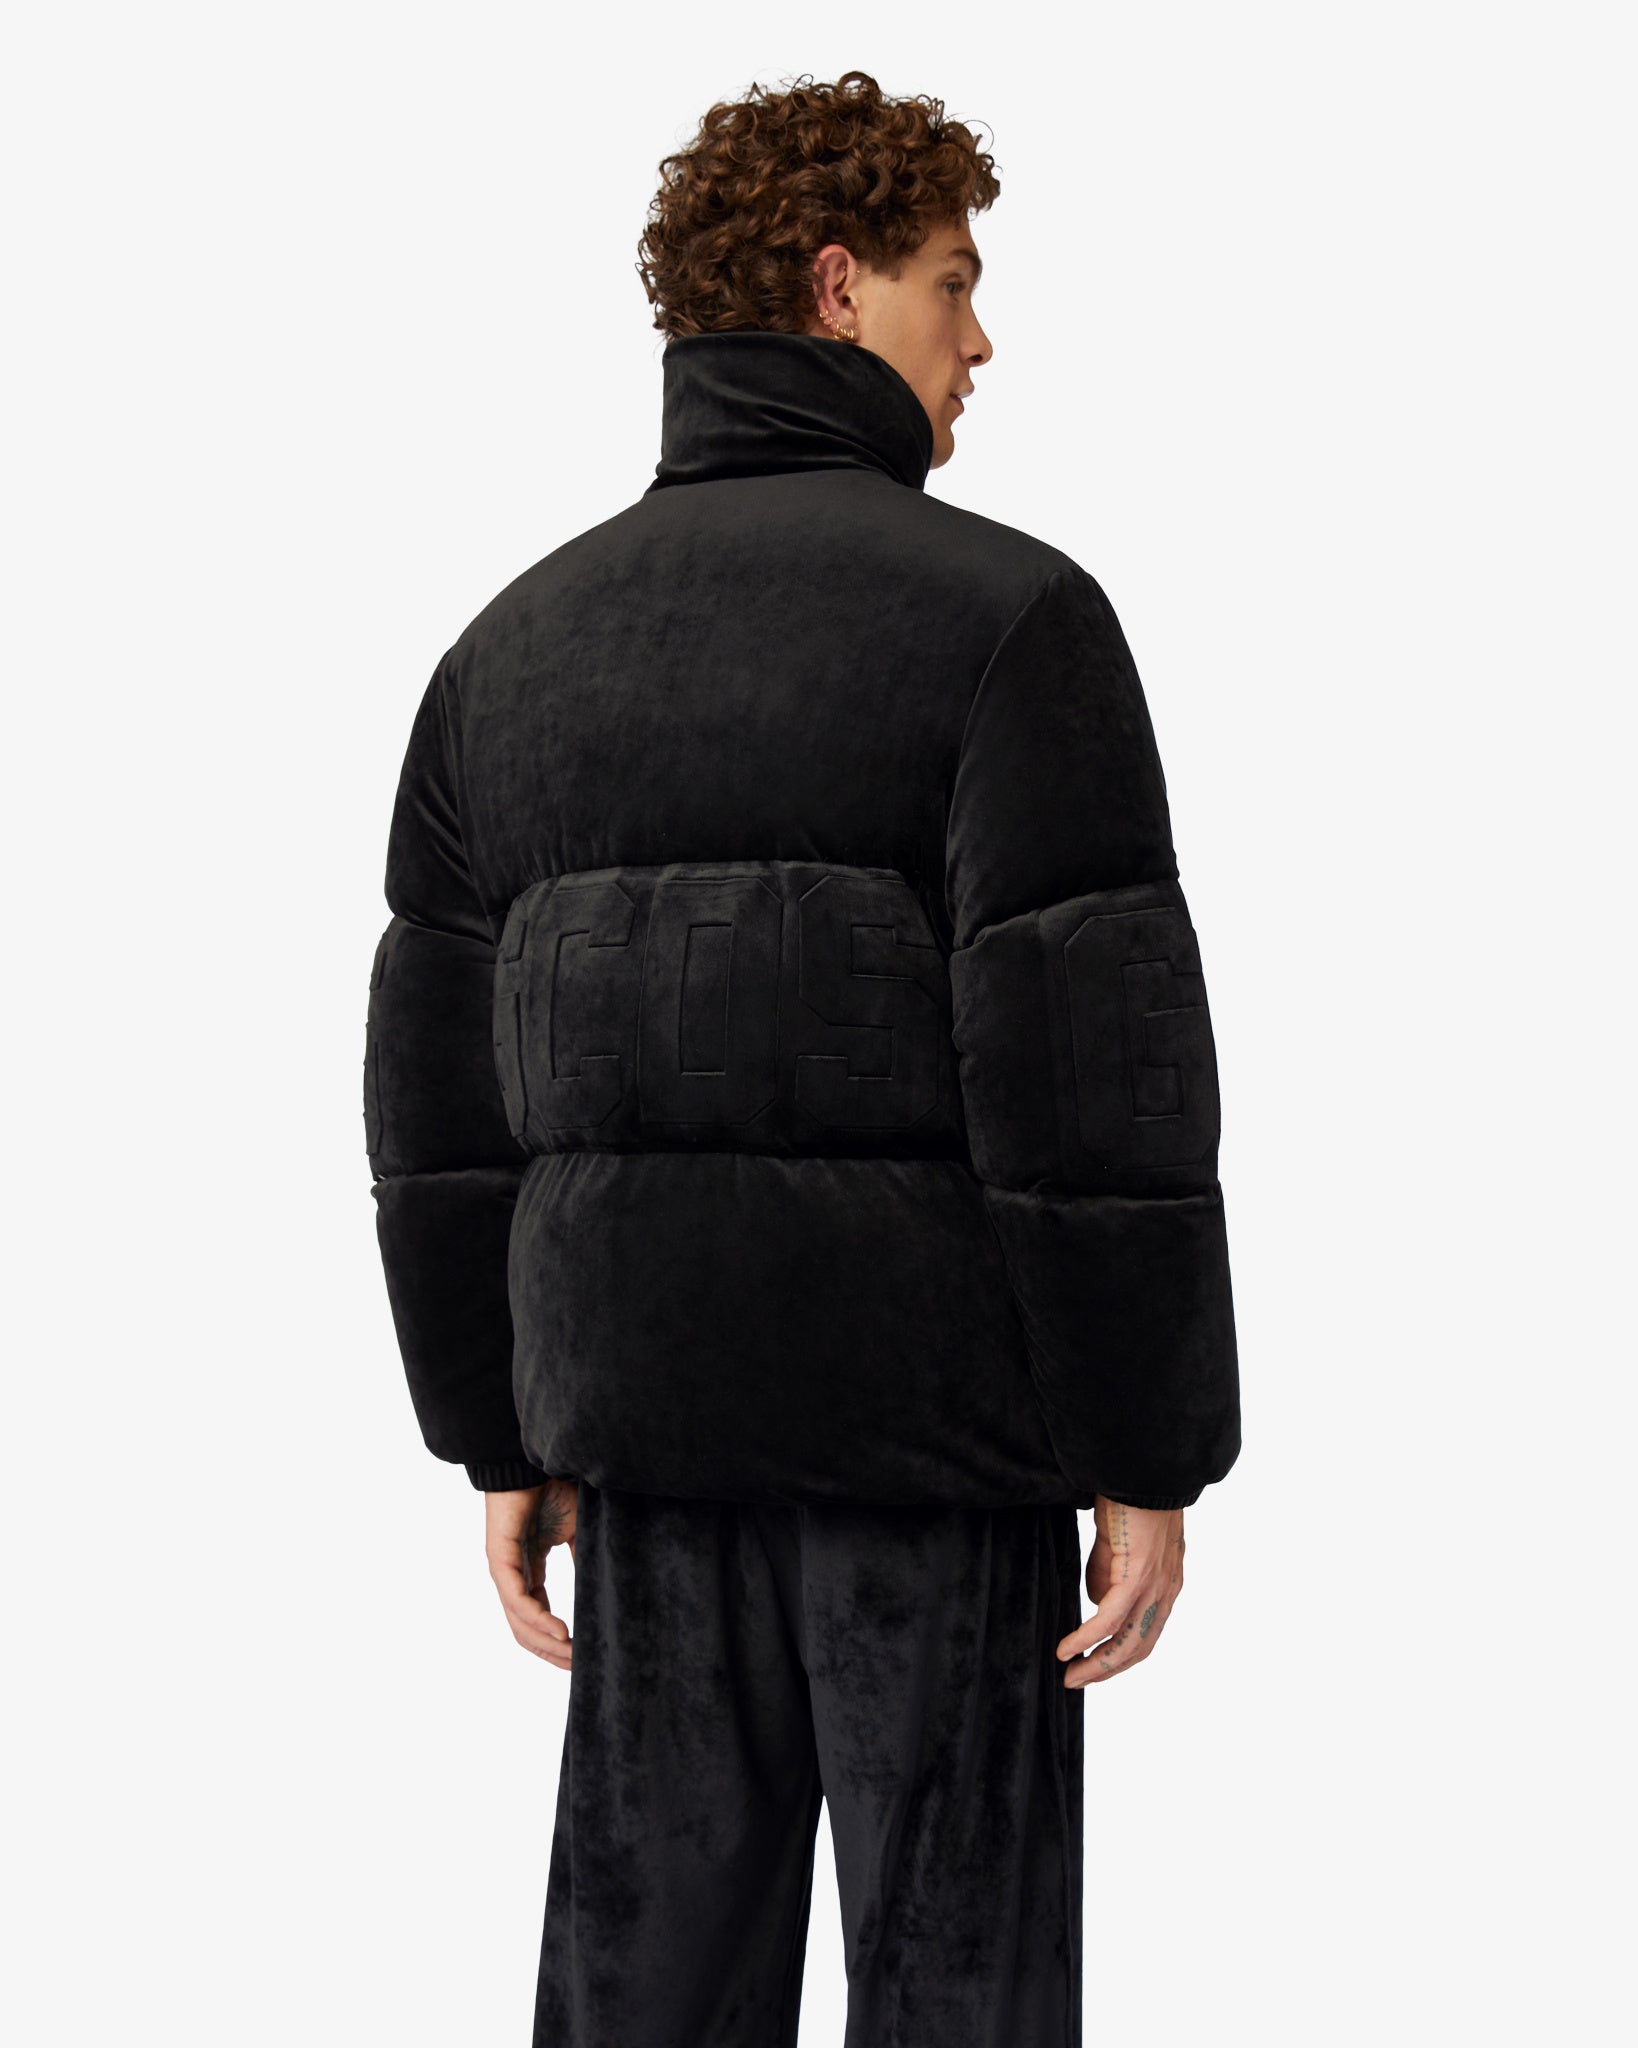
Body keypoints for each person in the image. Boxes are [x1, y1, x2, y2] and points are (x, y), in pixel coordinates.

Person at [364, 68, 1240, 2048]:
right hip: (933, 1454)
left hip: (643, 1441)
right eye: (955, 282)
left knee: (646, 1994)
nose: (981, 339)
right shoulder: (1015, 622)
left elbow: (434, 1104)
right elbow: (1093, 1080)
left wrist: (499, 1429)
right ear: (838, 289)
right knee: (960, 1992)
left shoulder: (509, 651)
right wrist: (1146, 1444)